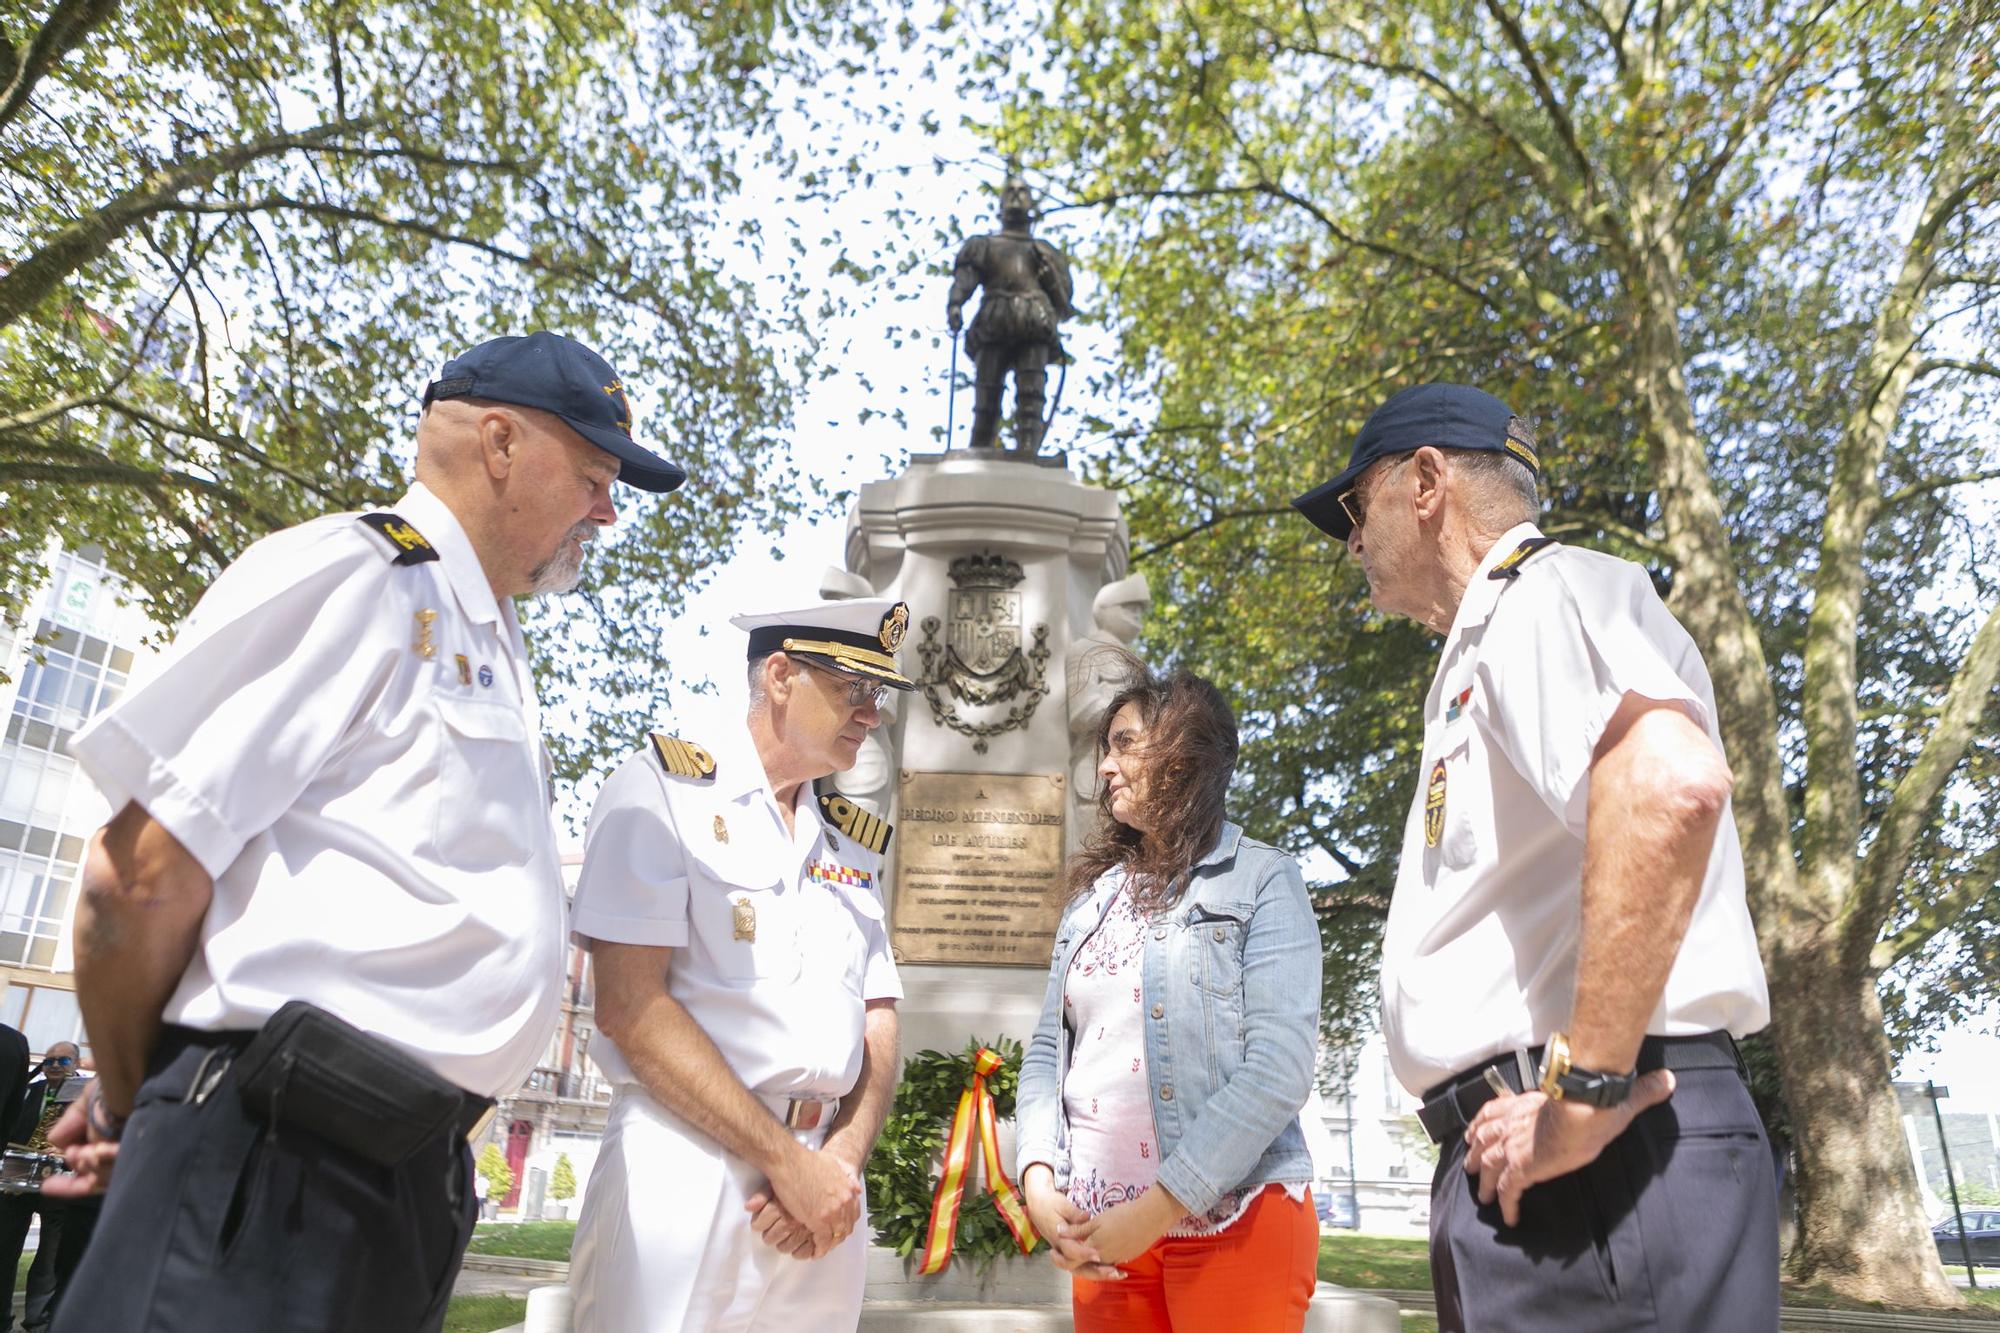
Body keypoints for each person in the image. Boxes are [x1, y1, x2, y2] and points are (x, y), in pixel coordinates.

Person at [45, 331, 688, 1333]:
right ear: (501, 443)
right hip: (273, 1161)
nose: (608, 510)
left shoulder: (479, 628)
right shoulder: (360, 576)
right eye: (598, 474)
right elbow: (136, 874)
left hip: (394, 1172)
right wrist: (140, 1106)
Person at [1292, 383, 1776, 1331]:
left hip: (1600, 1158)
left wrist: (1583, 1095)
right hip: (1560, 1162)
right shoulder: (1499, 630)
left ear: (1427, 481)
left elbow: (1671, 782)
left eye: (1355, 509)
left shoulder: (1540, 596)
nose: (1350, 544)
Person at [567, 597, 915, 1332]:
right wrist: (786, 1164)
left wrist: (839, 1163)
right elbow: (630, 1007)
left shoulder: (853, 840)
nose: (872, 713)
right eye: (855, 688)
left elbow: (878, 1015)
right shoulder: (663, 791)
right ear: (781, 675)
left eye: (877, 694)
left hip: (823, 1190)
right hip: (686, 1171)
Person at [1015, 668, 1323, 1333]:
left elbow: (1278, 1069)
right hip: (1103, 1238)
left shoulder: (1263, 878)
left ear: (1185, 750)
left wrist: (1158, 1208)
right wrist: (1038, 1178)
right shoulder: (1089, 903)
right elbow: (1048, 1049)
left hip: (1235, 1223)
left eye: (1125, 743)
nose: (1104, 767)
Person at [945, 172, 1076, 453]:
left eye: (1023, 192)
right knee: (987, 392)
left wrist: (1050, 278)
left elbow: (1064, 305)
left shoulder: (1044, 253)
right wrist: (955, 303)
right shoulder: (985, 246)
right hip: (995, 321)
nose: (1016, 197)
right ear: (1000, 203)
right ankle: (980, 447)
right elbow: (965, 280)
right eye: (1010, 192)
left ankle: (1028, 450)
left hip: (1034, 322)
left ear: (1032, 204)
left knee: (1031, 393)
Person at [1, 1043, 93, 1332]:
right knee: (3, 1251)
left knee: (49, 1259)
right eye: (50, 1060)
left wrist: (67, 1152)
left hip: (61, 1183)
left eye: (63, 1060)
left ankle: (38, 1320)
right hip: (18, 1181)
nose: (54, 1065)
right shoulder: (31, 1090)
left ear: (76, 1062)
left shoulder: (89, 1095)